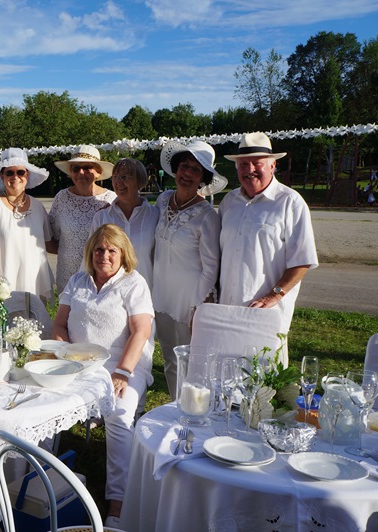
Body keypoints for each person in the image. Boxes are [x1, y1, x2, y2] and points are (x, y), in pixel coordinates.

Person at [52, 224, 154, 527]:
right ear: (90, 252)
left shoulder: (133, 283)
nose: (104, 256)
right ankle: (39, 479)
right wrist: (63, 356)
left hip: (124, 363)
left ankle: (117, 503)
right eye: (99, 249)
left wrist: (123, 372)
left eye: (112, 250)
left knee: (120, 416)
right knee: (46, 402)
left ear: (123, 254)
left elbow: (142, 331)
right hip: (79, 363)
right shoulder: (77, 280)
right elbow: (60, 325)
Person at [219, 132, 318, 339]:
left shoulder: (290, 202)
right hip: (226, 311)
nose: (250, 170)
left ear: (273, 166)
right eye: (243, 164)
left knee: (264, 368)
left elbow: (302, 260)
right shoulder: (229, 202)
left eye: (257, 163)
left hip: (266, 313)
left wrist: (275, 294)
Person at [154, 140, 226, 398]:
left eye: (196, 170)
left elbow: (211, 268)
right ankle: (175, 409)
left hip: (189, 301)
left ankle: (193, 412)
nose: (187, 173)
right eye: (184, 166)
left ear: (203, 178)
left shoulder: (207, 215)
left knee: (191, 364)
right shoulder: (162, 201)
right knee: (169, 358)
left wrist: (197, 308)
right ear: (176, 168)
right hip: (161, 295)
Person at [0, 147, 55, 302]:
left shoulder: (38, 207)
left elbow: (49, 244)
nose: (15, 177)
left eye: (20, 172)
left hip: (34, 281)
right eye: (9, 172)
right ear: (2, 176)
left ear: (27, 174)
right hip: (4, 282)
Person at [48, 145, 116, 293]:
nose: (81, 173)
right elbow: (50, 238)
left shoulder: (111, 200)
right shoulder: (62, 198)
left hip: (102, 274)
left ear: (98, 172)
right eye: (75, 168)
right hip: (67, 275)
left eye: (87, 167)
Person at [91, 158, 158, 290]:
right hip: (109, 294)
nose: (118, 182)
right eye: (115, 177)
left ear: (139, 181)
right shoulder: (102, 217)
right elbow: (90, 257)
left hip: (144, 293)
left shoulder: (154, 215)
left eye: (125, 177)